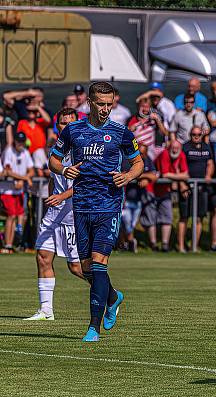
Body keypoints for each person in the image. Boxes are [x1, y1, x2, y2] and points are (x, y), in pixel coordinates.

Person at [48, 81, 144, 342]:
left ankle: (93, 326)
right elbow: (54, 159)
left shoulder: (121, 132)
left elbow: (138, 163)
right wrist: (63, 170)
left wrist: (127, 176)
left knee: (99, 265)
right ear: (89, 103)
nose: (105, 109)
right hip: (81, 206)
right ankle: (113, 297)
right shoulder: (73, 131)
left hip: (108, 206)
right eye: (100, 104)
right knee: (87, 268)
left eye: (109, 104)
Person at [24, 109, 84, 320]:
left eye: (70, 123)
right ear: (57, 126)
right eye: (62, 123)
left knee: (76, 268)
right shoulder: (55, 150)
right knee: (42, 257)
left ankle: (110, 294)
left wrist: (62, 197)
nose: (66, 126)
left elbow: (84, 184)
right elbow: (53, 178)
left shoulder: (83, 150)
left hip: (72, 216)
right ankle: (46, 310)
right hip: (54, 215)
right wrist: (53, 198)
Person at [146, 140, 187, 251]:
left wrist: (176, 177)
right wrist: (179, 176)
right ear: (169, 147)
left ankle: (165, 245)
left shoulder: (181, 155)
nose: (175, 150)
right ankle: (153, 245)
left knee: (167, 217)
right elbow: (165, 174)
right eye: (173, 147)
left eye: (177, 148)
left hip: (165, 190)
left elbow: (186, 174)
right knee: (151, 218)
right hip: (152, 189)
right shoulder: (164, 153)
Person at [180, 127, 215, 252]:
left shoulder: (206, 147)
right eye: (194, 134)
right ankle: (181, 247)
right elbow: (180, 165)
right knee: (184, 217)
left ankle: (194, 246)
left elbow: (210, 163)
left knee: (199, 217)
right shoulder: (185, 147)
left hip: (201, 188)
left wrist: (208, 175)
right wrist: (182, 184)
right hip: (187, 188)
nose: (196, 136)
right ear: (190, 134)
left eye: (199, 134)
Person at [1, 132, 34, 251]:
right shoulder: (8, 151)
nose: (20, 144)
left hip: (19, 190)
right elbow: (8, 171)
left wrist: (23, 179)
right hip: (7, 190)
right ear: (15, 141)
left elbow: (31, 170)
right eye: (18, 141)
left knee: (18, 216)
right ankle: (7, 244)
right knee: (11, 216)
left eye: (22, 141)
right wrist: (25, 178)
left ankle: (12, 244)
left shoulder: (25, 152)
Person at [120, 143, 157, 253]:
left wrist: (145, 178)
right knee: (126, 223)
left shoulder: (147, 159)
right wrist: (141, 176)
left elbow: (153, 176)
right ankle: (128, 242)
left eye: (144, 153)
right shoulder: (128, 160)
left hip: (139, 199)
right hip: (127, 199)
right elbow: (124, 175)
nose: (142, 155)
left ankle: (128, 244)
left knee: (131, 224)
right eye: (140, 153)